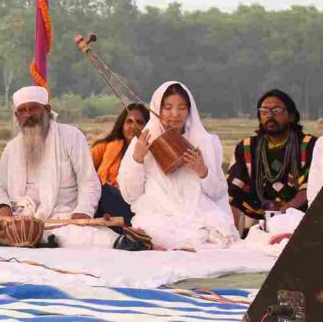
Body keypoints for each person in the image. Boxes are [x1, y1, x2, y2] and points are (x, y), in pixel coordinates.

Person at [0, 86, 123, 249]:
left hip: (63, 220)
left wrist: (82, 213)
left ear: (47, 110)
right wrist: (6, 217)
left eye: (33, 109)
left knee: (79, 236)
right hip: (21, 222)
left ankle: (120, 242)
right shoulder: (12, 148)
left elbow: (88, 181)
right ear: (17, 116)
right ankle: (39, 239)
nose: (28, 115)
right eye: (22, 111)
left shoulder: (71, 137)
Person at [118, 81, 238, 250]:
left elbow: (218, 193)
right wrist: (137, 158)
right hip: (158, 214)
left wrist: (202, 171)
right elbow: (130, 195)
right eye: (168, 108)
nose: (175, 114)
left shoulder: (207, 142)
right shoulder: (144, 140)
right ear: (158, 109)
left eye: (181, 108)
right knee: (152, 232)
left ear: (190, 110)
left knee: (218, 233)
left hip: (199, 213)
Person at [228, 89, 316, 227]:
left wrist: (285, 211)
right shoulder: (247, 147)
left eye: (276, 110)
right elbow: (234, 189)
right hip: (258, 219)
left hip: (300, 220)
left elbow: (312, 186)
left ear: (291, 116)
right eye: (264, 111)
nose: (269, 115)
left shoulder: (309, 145)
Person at [91, 103, 150, 223]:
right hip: (101, 200)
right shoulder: (104, 147)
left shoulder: (152, 153)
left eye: (139, 122)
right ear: (122, 124)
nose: (133, 127)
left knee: (104, 191)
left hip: (135, 207)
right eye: (129, 122)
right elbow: (82, 171)